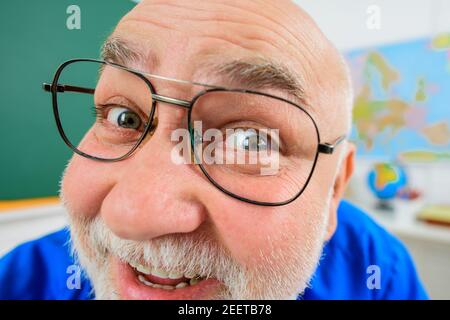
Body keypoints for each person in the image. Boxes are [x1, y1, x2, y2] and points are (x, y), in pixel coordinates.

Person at [0, 0, 427, 300]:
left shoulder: (375, 269)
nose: (132, 214)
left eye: (249, 141)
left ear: (334, 189)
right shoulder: (20, 280)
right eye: (123, 117)